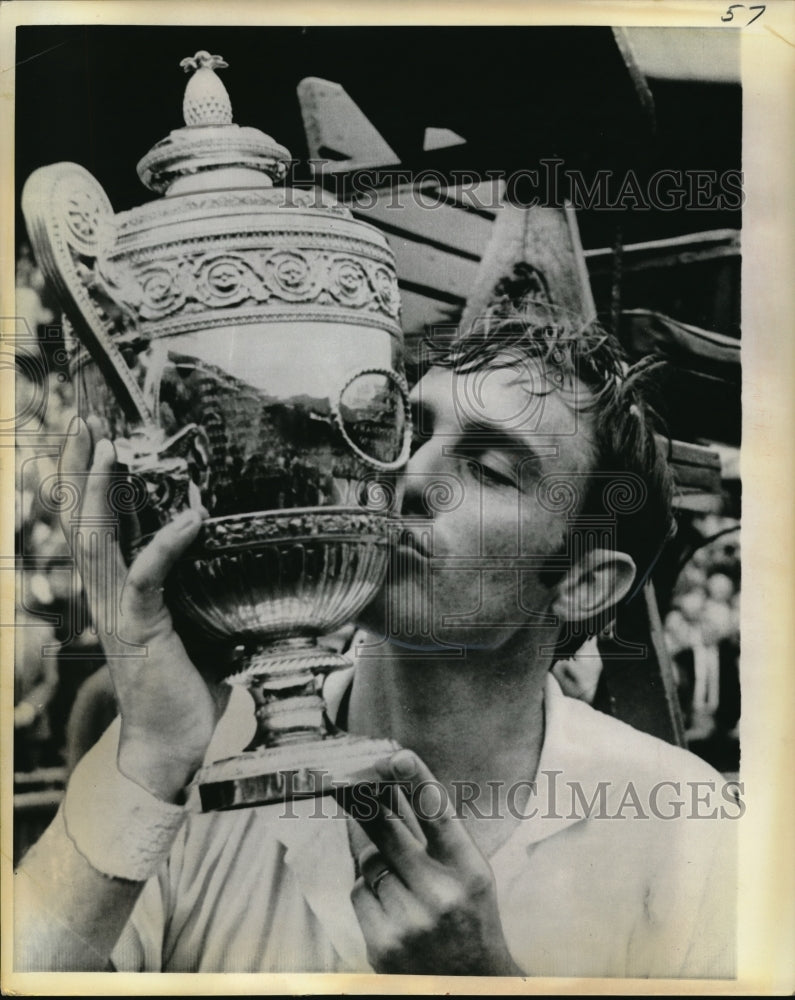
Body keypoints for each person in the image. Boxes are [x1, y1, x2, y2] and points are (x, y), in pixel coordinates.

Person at [14, 305, 737, 977]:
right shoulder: (189, 768)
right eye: (406, 432)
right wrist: (151, 750)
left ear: (582, 582)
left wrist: (488, 988)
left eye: (486, 469)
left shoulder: (684, 829)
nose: (410, 475)